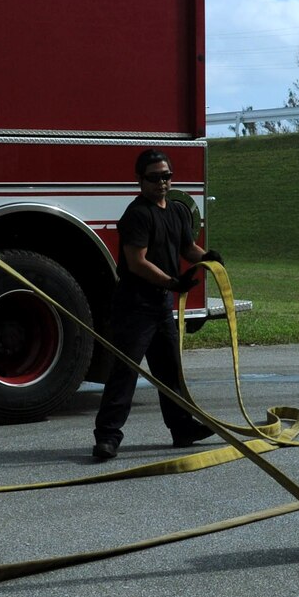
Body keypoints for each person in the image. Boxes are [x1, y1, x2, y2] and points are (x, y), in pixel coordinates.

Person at [91, 148, 223, 461]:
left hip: (161, 305)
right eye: (154, 178)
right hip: (134, 306)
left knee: (170, 371)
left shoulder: (177, 211)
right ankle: (107, 438)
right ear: (139, 180)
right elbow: (137, 263)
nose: (161, 183)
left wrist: (208, 259)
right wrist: (172, 283)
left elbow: (187, 248)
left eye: (166, 176)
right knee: (126, 372)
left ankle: (182, 429)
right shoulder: (137, 215)